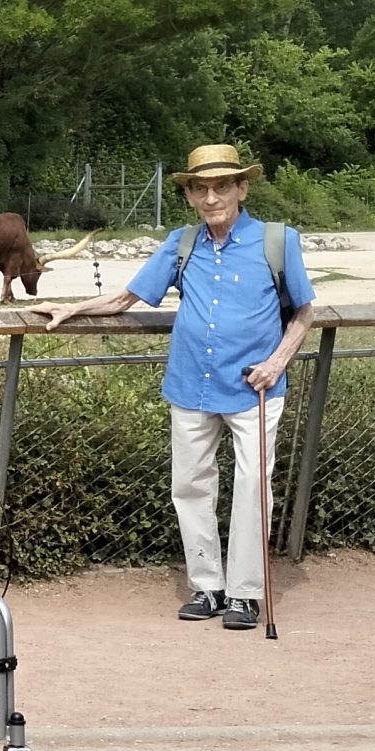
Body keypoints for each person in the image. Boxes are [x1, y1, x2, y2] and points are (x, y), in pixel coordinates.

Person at [39, 144, 314, 630]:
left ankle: (246, 594)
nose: (211, 198)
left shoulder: (278, 240)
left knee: (253, 487)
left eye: (221, 187)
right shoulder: (181, 243)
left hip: (256, 386)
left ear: (242, 188)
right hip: (191, 383)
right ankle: (207, 587)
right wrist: (72, 309)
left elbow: (304, 314)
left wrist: (276, 363)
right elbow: (126, 297)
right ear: (190, 196)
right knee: (189, 486)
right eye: (200, 189)